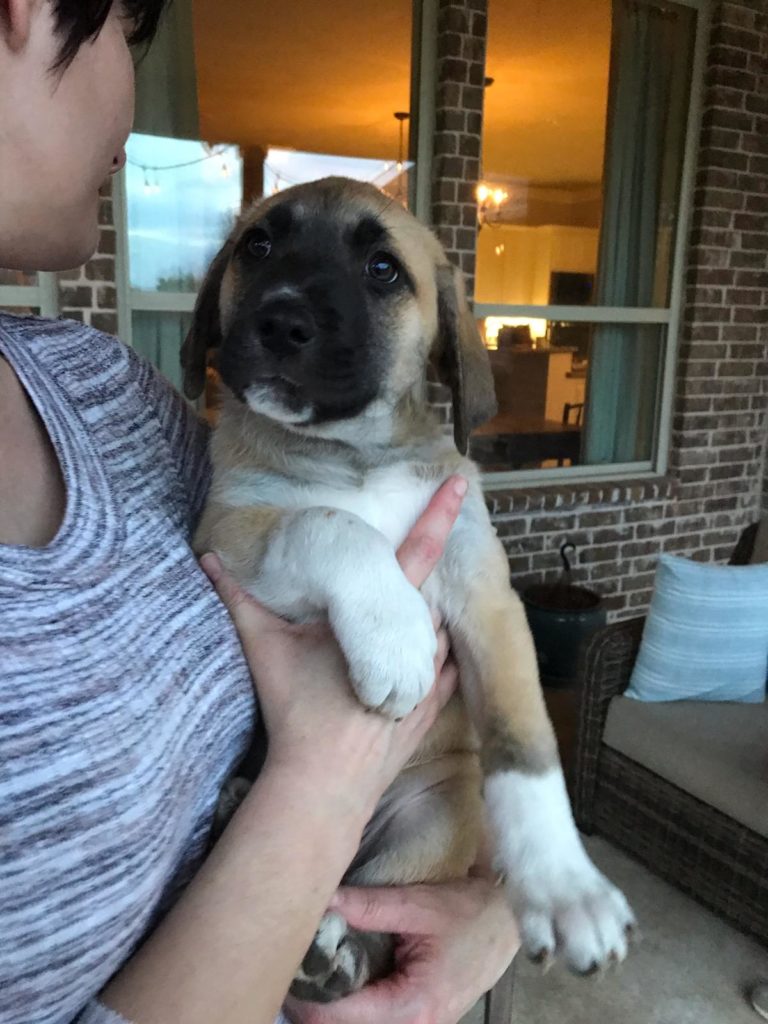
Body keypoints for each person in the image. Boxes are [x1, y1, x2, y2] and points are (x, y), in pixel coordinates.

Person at [0, 2, 520, 1022]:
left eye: (379, 274)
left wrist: (498, 905)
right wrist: (325, 782)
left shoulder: (104, 395)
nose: (132, 93)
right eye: (128, 32)